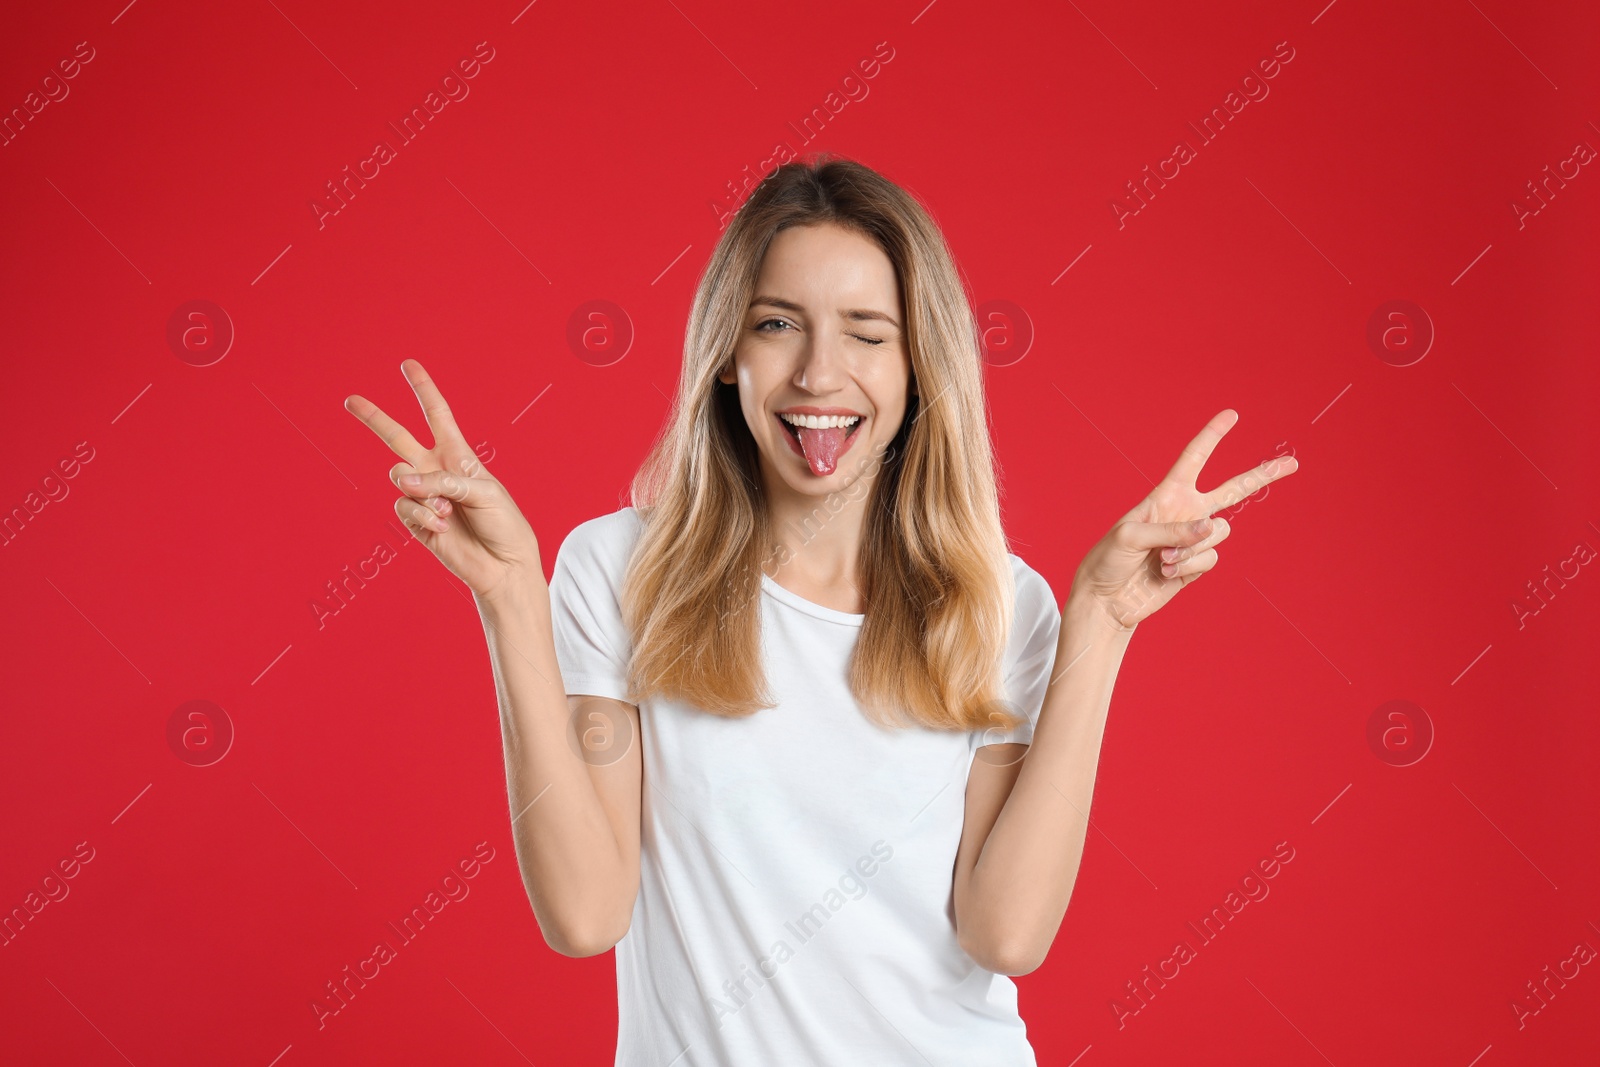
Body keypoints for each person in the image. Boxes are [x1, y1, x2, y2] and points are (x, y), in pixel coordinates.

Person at [343, 155, 1299, 1065]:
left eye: (868, 334)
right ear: (726, 356)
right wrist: (508, 593)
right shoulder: (615, 571)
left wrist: (1103, 618)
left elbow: (1007, 931)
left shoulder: (1003, 605)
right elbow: (586, 914)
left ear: (920, 368)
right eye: (777, 325)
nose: (818, 375)